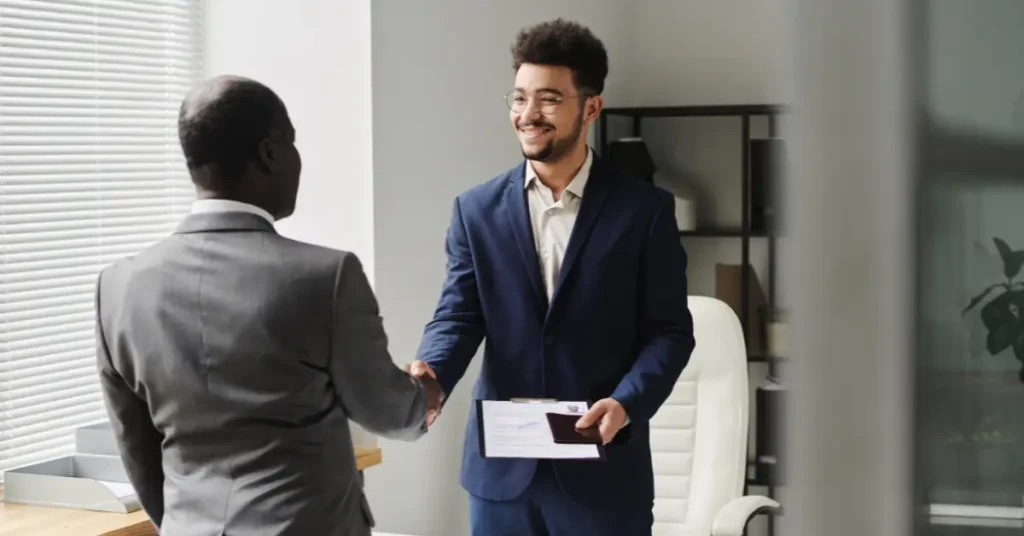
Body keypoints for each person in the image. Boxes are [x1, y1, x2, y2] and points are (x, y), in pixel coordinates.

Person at [93, 75, 442, 536]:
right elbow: (386, 410)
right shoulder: (326, 277)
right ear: (269, 153)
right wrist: (425, 396)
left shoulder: (118, 286)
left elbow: (137, 449)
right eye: (293, 143)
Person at [408, 18, 695, 536]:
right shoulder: (475, 210)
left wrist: (627, 402)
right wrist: (431, 375)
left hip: (602, 473)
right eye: (518, 99)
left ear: (591, 107)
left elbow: (669, 331)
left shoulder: (644, 212)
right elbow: (459, 313)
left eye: (548, 99)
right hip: (502, 477)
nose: (528, 115)